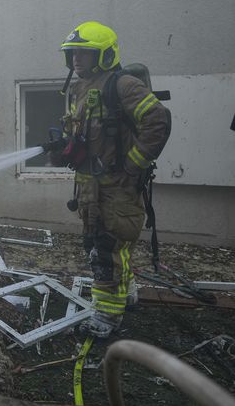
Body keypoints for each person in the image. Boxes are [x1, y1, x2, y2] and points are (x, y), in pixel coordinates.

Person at [52, 21, 171, 338]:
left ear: (104, 55)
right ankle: (126, 294)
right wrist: (65, 147)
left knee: (107, 249)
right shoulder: (81, 88)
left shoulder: (121, 85)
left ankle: (106, 318)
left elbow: (157, 119)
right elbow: (86, 134)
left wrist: (133, 164)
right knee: (106, 245)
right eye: (73, 53)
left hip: (116, 188)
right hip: (91, 186)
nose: (76, 59)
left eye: (84, 53)